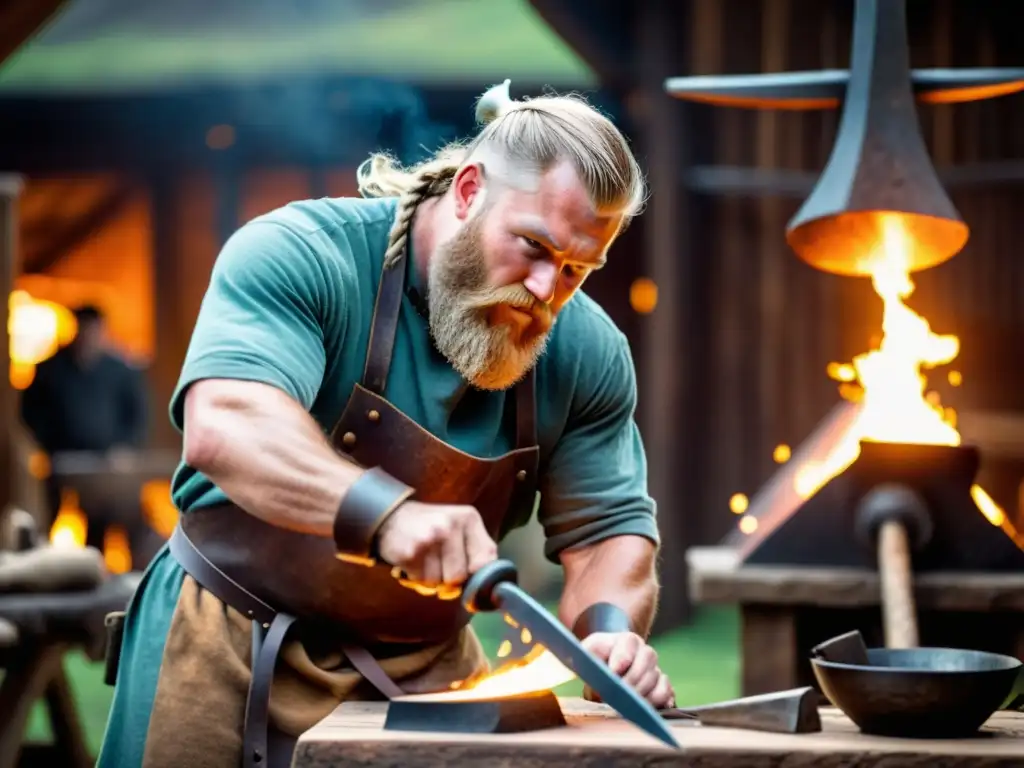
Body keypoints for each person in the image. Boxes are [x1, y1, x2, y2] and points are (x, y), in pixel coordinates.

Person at [98, 80, 672, 768]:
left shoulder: (586, 349)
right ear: (467, 192)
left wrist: (608, 631)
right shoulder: (303, 254)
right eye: (533, 247)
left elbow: (608, 531)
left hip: (429, 672)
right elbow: (227, 424)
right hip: (223, 641)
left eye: (579, 267)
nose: (547, 292)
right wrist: (389, 517)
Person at [20, 304, 149, 550]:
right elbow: (30, 410)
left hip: (105, 462)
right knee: (48, 517)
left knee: (101, 520)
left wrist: (126, 446)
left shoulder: (119, 370)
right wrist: (47, 444)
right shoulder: (51, 369)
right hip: (60, 460)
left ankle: (95, 567)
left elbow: (138, 413)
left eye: (95, 330)